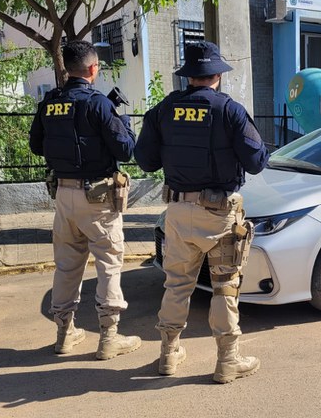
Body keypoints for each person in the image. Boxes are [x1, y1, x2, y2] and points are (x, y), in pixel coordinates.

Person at [134, 41, 270, 383]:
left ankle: (168, 354)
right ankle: (227, 360)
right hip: (220, 214)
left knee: (176, 284)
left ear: (189, 77)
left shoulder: (164, 110)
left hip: (178, 211)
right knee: (225, 286)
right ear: (217, 77)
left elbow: (145, 160)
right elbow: (257, 162)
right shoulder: (230, 111)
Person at [29, 40, 141, 360]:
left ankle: (64, 335)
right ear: (94, 69)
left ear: (67, 69)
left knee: (66, 266)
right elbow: (125, 150)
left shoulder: (50, 102)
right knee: (108, 263)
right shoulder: (99, 104)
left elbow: (37, 146)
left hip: (63, 195)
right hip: (99, 197)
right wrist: (124, 123)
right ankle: (109, 338)